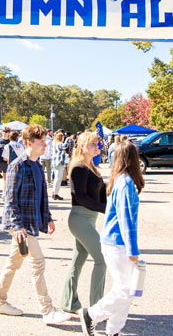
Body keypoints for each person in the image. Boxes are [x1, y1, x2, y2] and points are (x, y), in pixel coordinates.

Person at [0, 124, 72, 325]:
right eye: (41, 142)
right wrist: (17, 226)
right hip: (20, 224)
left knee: (13, 263)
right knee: (38, 263)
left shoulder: (36, 165)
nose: (46, 145)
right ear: (29, 143)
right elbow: (9, 199)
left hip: (29, 222)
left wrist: (48, 218)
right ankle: (47, 310)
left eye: (46, 141)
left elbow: (41, 196)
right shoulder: (17, 165)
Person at [79, 140, 144, 336]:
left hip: (114, 242)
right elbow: (126, 220)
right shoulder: (125, 183)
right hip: (117, 243)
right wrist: (133, 250)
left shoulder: (120, 180)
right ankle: (92, 315)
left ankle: (113, 329)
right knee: (126, 290)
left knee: (125, 289)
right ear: (133, 159)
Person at [61, 131, 107, 315]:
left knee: (77, 261)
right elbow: (80, 197)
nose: (96, 147)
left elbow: (100, 194)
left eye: (97, 144)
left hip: (89, 218)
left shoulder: (93, 168)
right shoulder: (79, 168)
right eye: (92, 144)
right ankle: (97, 307)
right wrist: (107, 209)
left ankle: (69, 302)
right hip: (80, 218)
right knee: (102, 258)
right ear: (82, 146)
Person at [0, 129, 14, 200]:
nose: (4, 134)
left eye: (6, 132)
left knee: (5, 178)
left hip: (6, 162)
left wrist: (8, 158)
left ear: (8, 133)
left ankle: (4, 194)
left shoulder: (9, 141)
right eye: (3, 132)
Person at [51, 131, 68, 200]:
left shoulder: (55, 143)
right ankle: (55, 193)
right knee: (58, 179)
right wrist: (67, 140)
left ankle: (55, 193)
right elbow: (65, 146)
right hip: (59, 162)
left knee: (57, 179)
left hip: (56, 162)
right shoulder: (58, 144)